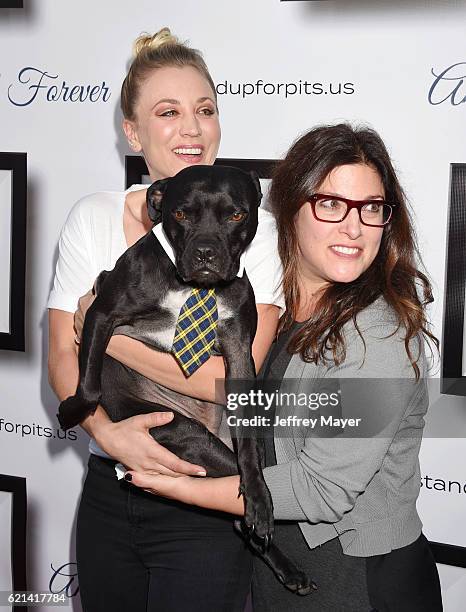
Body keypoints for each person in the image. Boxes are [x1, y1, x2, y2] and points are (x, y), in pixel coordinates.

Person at [126, 124, 444, 611]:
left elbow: (320, 491)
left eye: (372, 209)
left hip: (358, 582)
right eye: (331, 204)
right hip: (280, 572)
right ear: (290, 208)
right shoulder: (269, 308)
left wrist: (179, 487)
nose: (354, 229)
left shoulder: (377, 334)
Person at [47, 28, 283, 612]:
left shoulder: (255, 228)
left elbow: (229, 385)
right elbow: (59, 353)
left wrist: (109, 333)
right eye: (168, 112)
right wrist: (107, 434)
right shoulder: (93, 217)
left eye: (205, 110)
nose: (191, 128)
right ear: (133, 132)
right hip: (110, 488)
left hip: (207, 495)